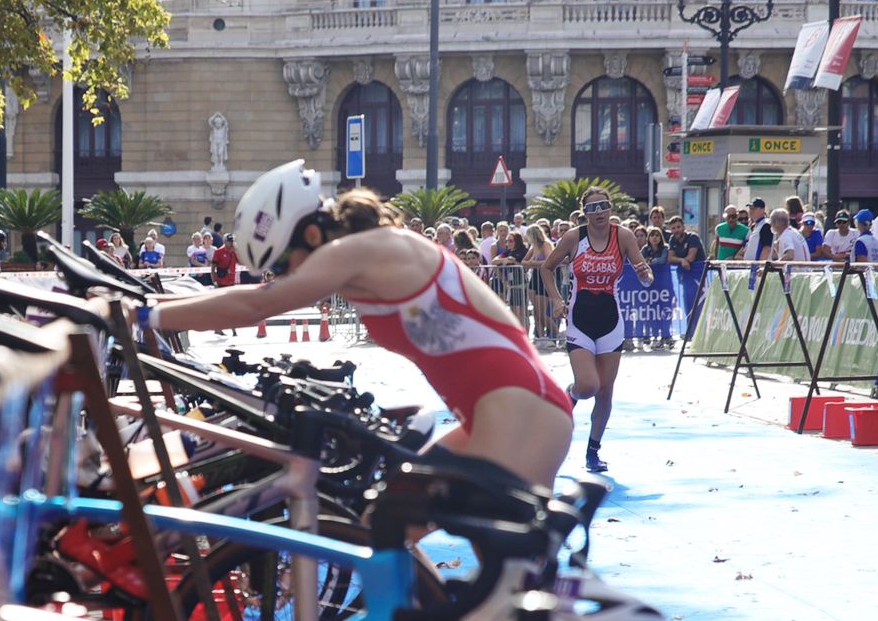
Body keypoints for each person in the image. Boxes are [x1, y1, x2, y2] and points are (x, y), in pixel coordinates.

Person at [140, 161, 575, 489]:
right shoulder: (359, 258)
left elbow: (256, 305)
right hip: (501, 415)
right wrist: (143, 300)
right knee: (382, 529)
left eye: (283, 263)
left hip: (521, 415)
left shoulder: (361, 249)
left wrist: (145, 313)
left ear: (310, 236)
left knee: (507, 600)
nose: (284, 277)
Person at [529, 187, 657, 473]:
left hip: (610, 320)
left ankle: (592, 452)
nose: (599, 213)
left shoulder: (622, 235)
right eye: (592, 208)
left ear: (610, 208)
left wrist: (644, 274)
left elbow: (641, 268)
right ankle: (570, 396)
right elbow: (547, 268)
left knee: (605, 391)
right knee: (588, 385)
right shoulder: (574, 237)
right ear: (584, 213)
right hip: (580, 319)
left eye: (603, 206)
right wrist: (557, 299)